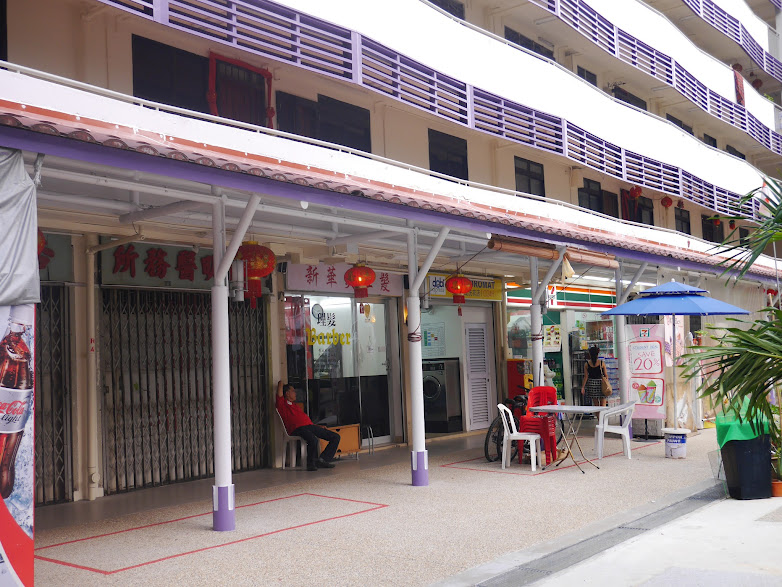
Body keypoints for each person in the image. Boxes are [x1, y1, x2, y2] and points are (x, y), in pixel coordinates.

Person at [276, 380, 341, 471]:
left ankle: (322, 460)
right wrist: (283, 383)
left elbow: (305, 421)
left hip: (309, 426)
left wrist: (317, 426)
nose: (295, 393)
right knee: (313, 440)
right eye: (293, 391)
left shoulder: (296, 406)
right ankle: (311, 463)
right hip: (297, 429)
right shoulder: (282, 404)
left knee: (335, 437)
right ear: (287, 393)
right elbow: (280, 384)